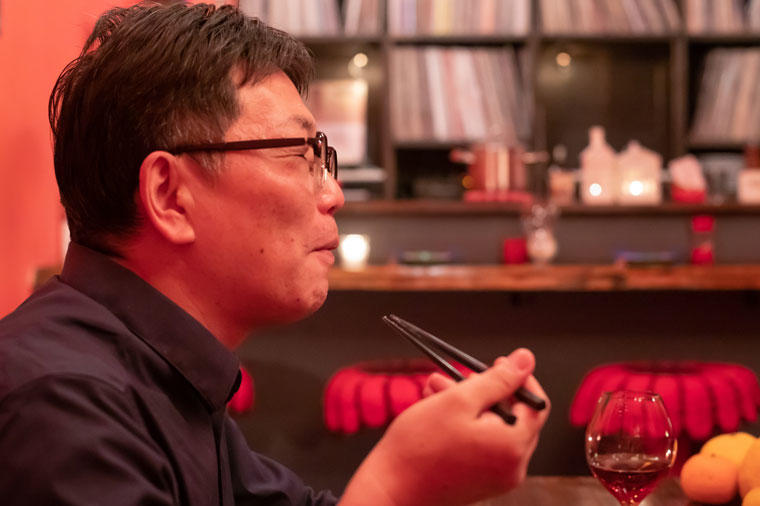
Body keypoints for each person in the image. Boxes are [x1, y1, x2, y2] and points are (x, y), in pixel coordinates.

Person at [0, 3, 550, 505]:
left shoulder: (166, 370)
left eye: (322, 157)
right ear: (169, 195)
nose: (334, 194)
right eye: (299, 154)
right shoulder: (62, 404)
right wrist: (397, 483)